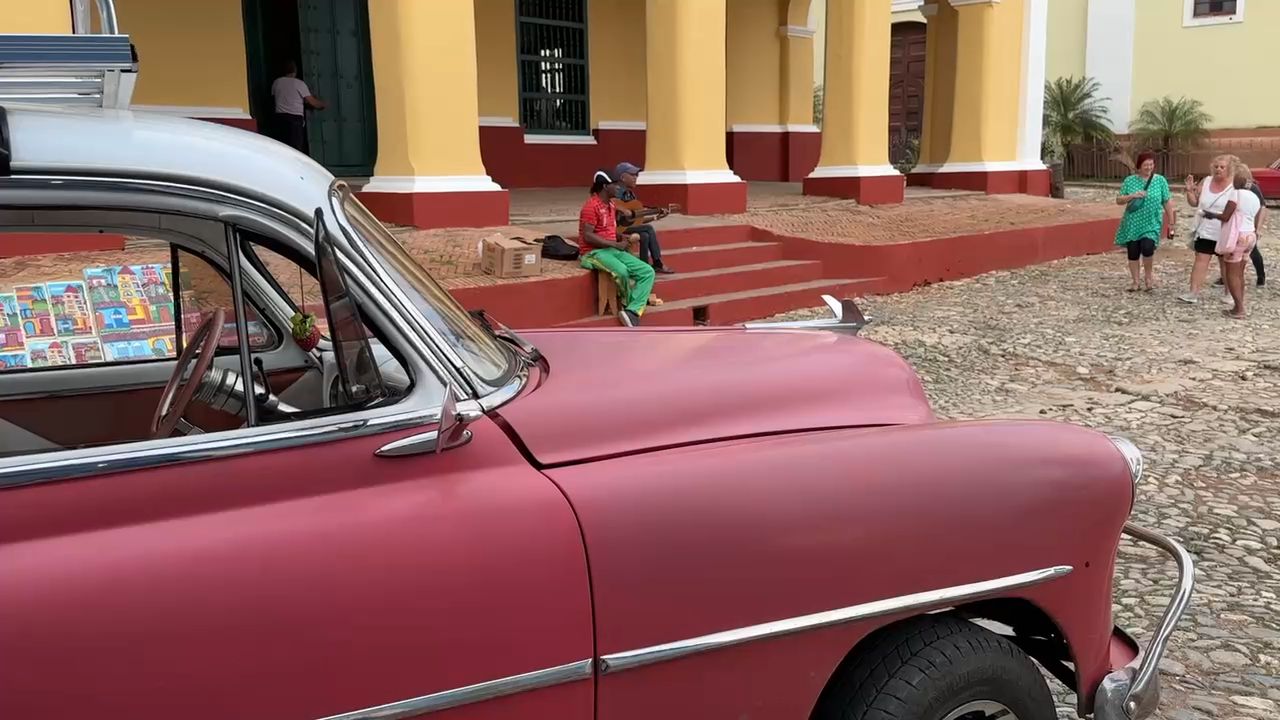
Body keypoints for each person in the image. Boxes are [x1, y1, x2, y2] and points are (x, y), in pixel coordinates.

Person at [578, 170, 656, 327]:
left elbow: (609, 231)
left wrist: (621, 239)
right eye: (616, 185)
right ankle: (631, 304)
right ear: (606, 186)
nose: (619, 188)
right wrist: (615, 244)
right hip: (593, 253)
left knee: (647, 271)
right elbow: (588, 236)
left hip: (611, 250)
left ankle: (632, 311)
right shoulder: (591, 206)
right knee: (621, 271)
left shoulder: (612, 205)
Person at [1114, 151, 1176, 291]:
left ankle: (1148, 277)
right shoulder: (1130, 181)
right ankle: (1135, 281)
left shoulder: (1160, 180)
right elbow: (1119, 200)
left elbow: (1166, 201)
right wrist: (1132, 196)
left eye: (1151, 164)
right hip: (1132, 222)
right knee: (1133, 251)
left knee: (1148, 248)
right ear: (1139, 166)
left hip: (1152, 222)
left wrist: (1171, 221)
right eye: (1145, 165)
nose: (1148, 167)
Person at [1180, 155, 1239, 304]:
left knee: (1225, 263)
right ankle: (1193, 292)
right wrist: (1189, 191)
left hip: (1225, 230)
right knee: (1200, 260)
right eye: (1216, 166)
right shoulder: (1206, 182)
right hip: (1205, 229)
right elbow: (1195, 203)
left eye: (1222, 167)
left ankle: (1229, 294)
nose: (1218, 169)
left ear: (1229, 169)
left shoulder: (1234, 185)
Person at [612, 162, 675, 274]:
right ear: (622, 177)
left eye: (636, 175)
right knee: (649, 228)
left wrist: (655, 216)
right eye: (632, 175)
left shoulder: (631, 194)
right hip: (613, 227)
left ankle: (644, 265)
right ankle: (657, 263)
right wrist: (623, 210)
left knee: (645, 235)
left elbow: (635, 219)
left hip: (625, 226)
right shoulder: (615, 191)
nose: (636, 178)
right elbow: (609, 203)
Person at [1222, 164, 1263, 319]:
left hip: (1237, 237)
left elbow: (1226, 216)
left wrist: (1210, 215)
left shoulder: (1236, 194)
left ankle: (1239, 308)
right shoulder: (1254, 196)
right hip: (1250, 235)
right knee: (1240, 273)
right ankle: (1239, 305)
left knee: (1232, 273)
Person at [270, 60, 326, 153]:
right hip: (294, 120)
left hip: (279, 119)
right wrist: (324, 104)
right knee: (296, 149)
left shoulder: (277, 82)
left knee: (282, 146)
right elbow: (312, 102)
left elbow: (274, 98)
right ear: (295, 70)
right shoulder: (299, 84)